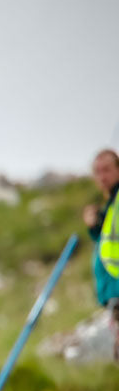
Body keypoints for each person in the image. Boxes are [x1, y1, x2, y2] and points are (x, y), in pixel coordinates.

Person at [83, 148, 119, 360]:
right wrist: (96, 226)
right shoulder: (112, 205)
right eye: (97, 171)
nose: (102, 176)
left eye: (107, 170)